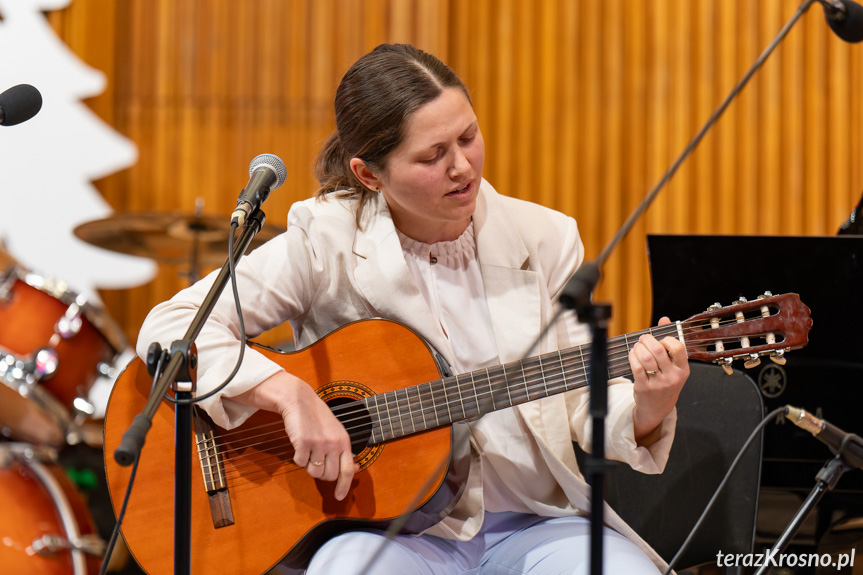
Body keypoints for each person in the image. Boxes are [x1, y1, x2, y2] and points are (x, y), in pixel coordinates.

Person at [137, 43, 689, 574]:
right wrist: (287, 394)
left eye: (468, 137)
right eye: (432, 155)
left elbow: (577, 396)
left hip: (536, 525)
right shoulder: (326, 240)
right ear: (369, 175)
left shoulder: (545, 237)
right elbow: (169, 331)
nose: (463, 167)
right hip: (388, 533)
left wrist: (647, 408)